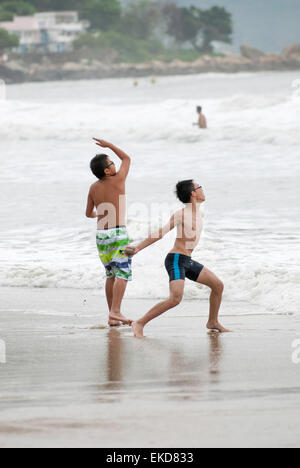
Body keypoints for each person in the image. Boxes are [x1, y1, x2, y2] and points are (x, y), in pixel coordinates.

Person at [126, 180, 229, 338]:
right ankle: (139, 323)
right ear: (193, 193)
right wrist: (138, 248)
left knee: (218, 286)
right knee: (175, 299)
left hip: (188, 260)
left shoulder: (199, 213)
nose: (203, 189)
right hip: (176, 259)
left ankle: (213, 322)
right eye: (199, 187)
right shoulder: (181, 214)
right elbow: (161, 232)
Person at [86, 139, 133, 327]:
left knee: (110, 274)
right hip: (118, 234)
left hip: (101, 236)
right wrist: (110, 145)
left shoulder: (93, 187)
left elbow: (88, 213)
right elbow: (127, 158)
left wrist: (102, 213)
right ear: (107, 170)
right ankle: (116, 311)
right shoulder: (118, 179)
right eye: (112, 163)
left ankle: (112, 316)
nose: (115, 164)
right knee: (123, 272)